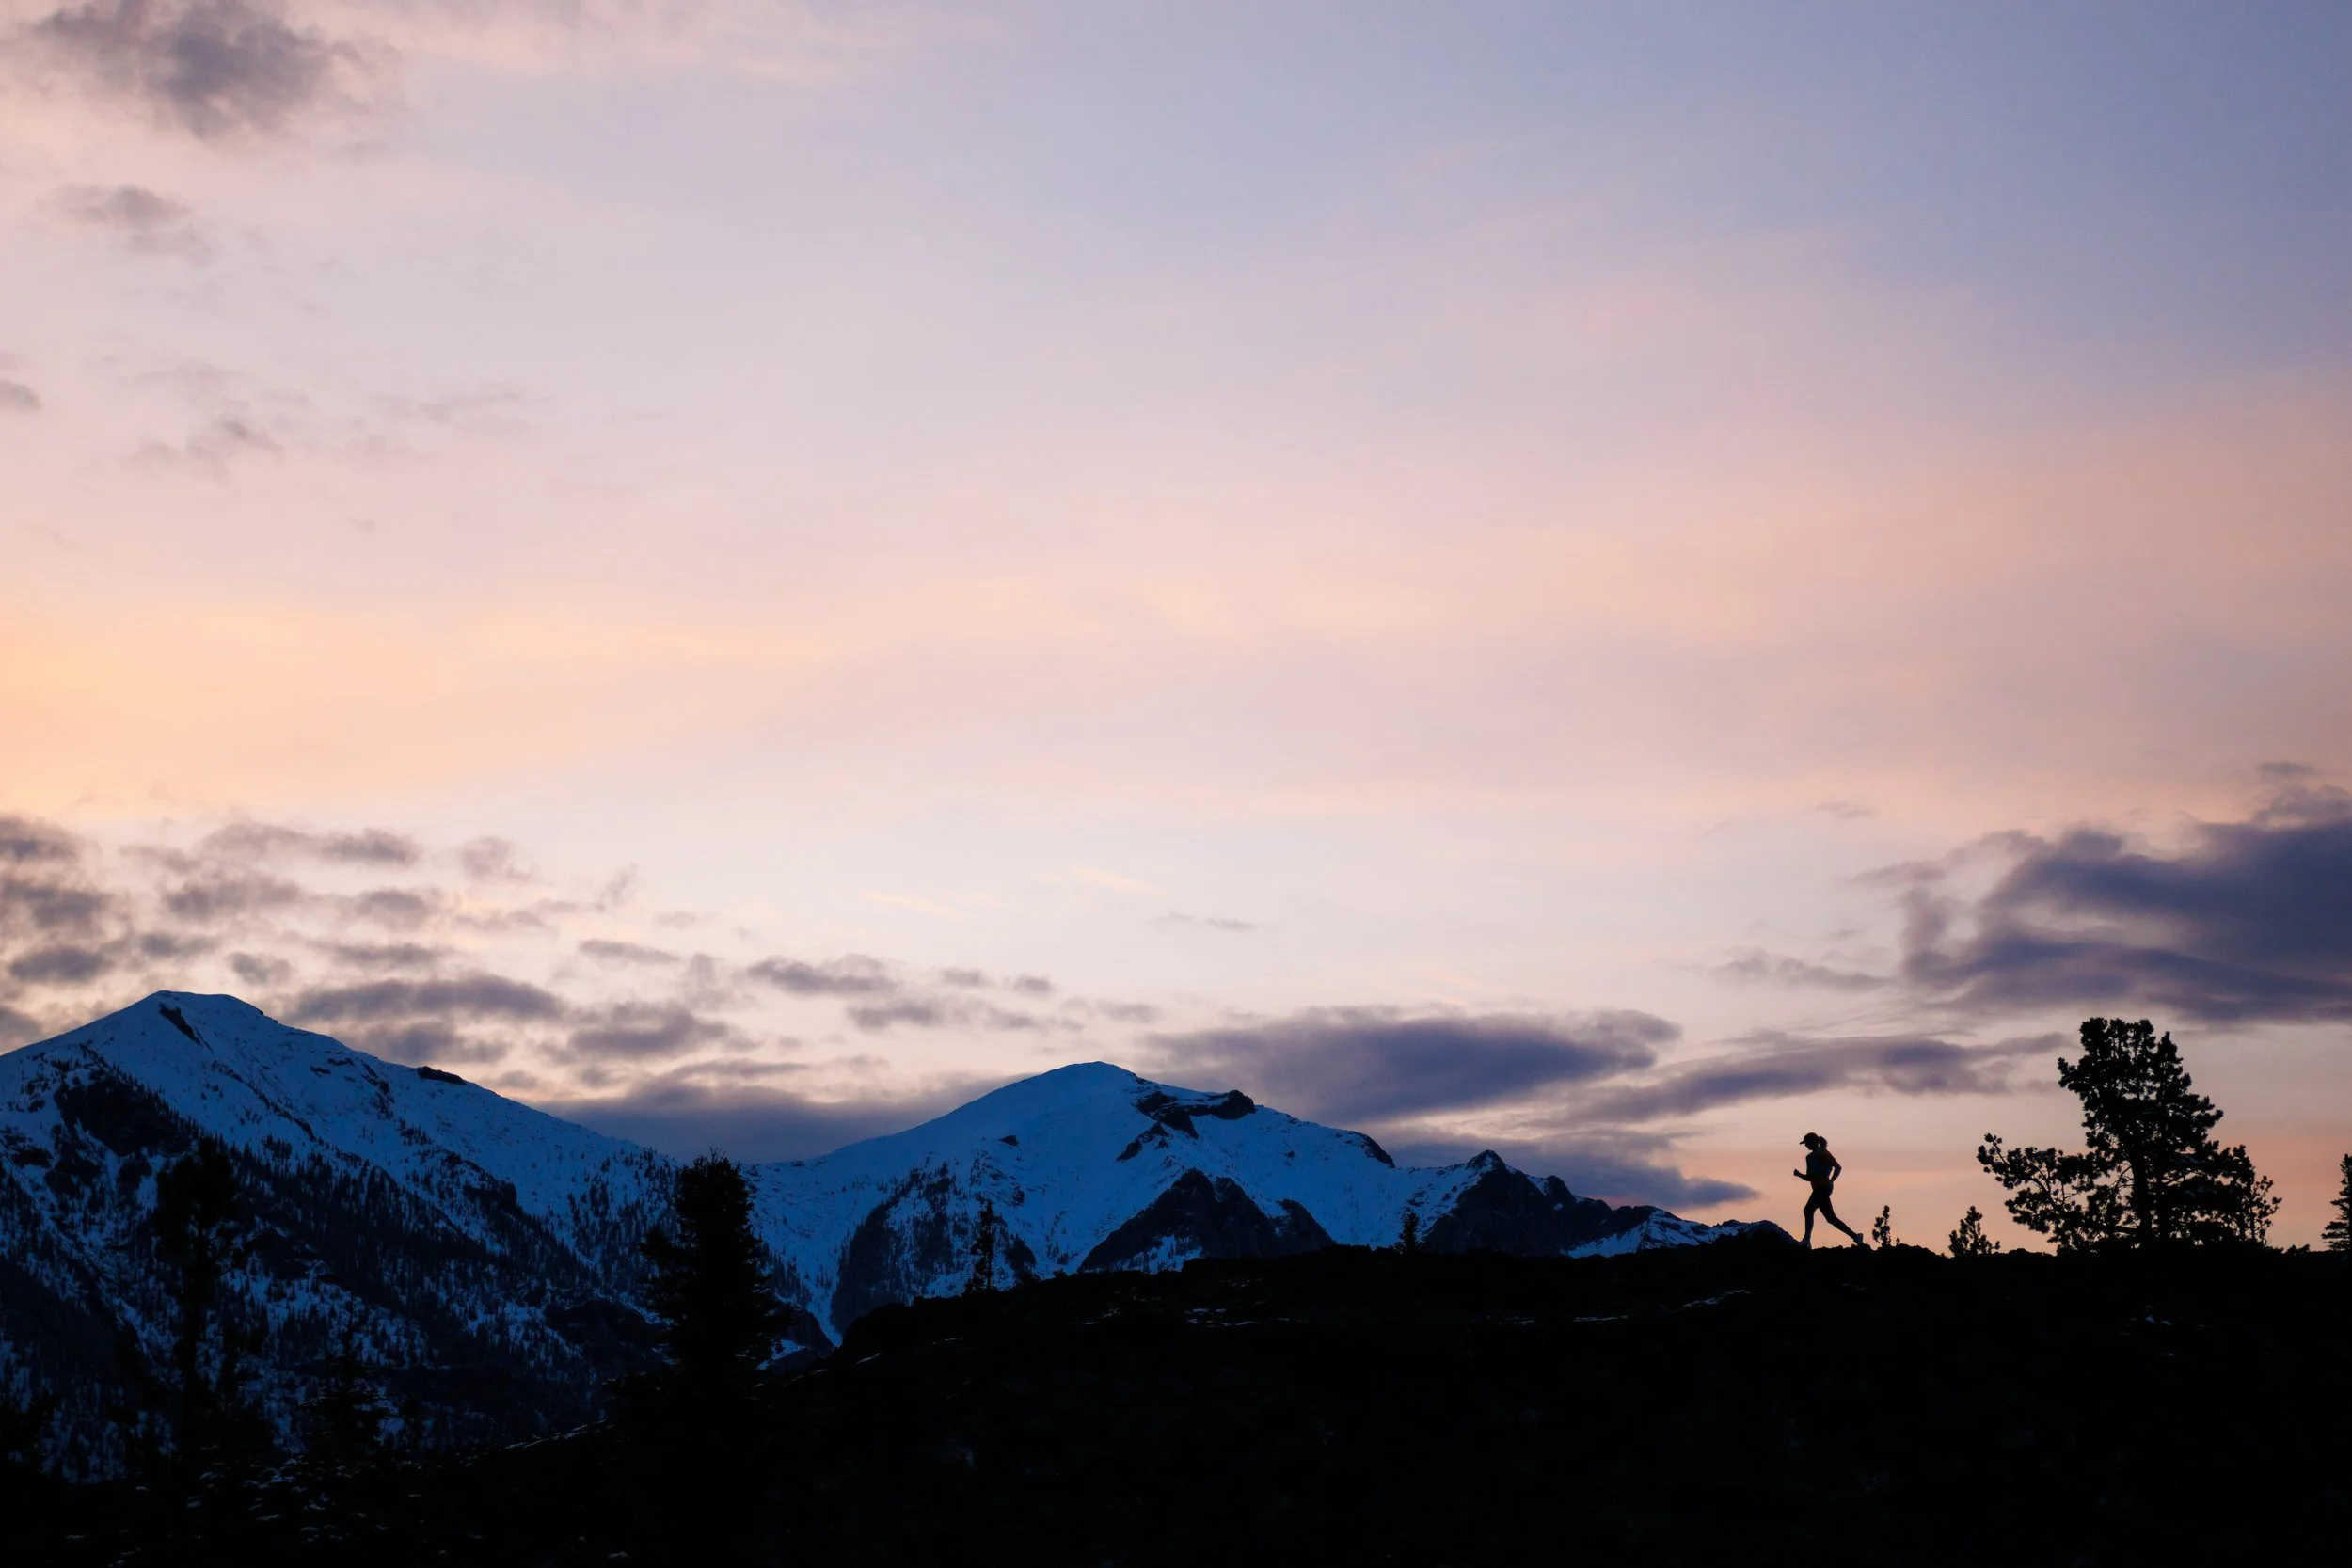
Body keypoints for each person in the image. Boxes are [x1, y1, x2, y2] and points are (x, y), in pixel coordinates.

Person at [1794, 1132, 1867, 1248]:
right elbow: (1810, 1177)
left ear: (1814, 1142)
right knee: (1831, 1218)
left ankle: (1806, 1240)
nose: (1806, 1145)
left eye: (1807, 1143)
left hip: (1824, 1188)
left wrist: (1831, 1181)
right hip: (1818, 1188)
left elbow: (1838, 1167)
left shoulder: (1823, 1153)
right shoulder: (1809, 1157)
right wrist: (1799, 1175)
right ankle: (1856, 1236)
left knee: (1808, 1210)